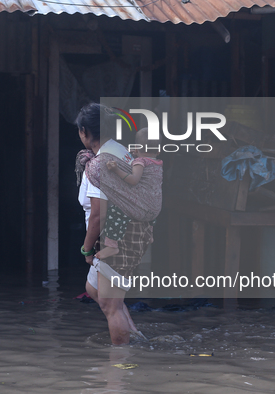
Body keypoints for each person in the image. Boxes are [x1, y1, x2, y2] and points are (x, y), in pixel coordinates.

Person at [75, 103, 153, 345]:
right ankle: (136, 339)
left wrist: (87, 249)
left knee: (110, 304)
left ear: (85, 132)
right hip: (132, 233)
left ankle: (120, 367)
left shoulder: (100, 164)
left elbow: (99, 215)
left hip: (117, 239)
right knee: (94, 289)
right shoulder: (120, 151)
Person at [97, 128, 163, 260]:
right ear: (158, 150)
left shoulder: (140, 162)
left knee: (116, 211)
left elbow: (133, 180)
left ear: (137, 148)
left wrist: (116, 169)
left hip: (142, 208)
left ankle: (112, 245)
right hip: (155, 210)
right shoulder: (158, 163)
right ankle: (149, 235)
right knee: (150, 199)